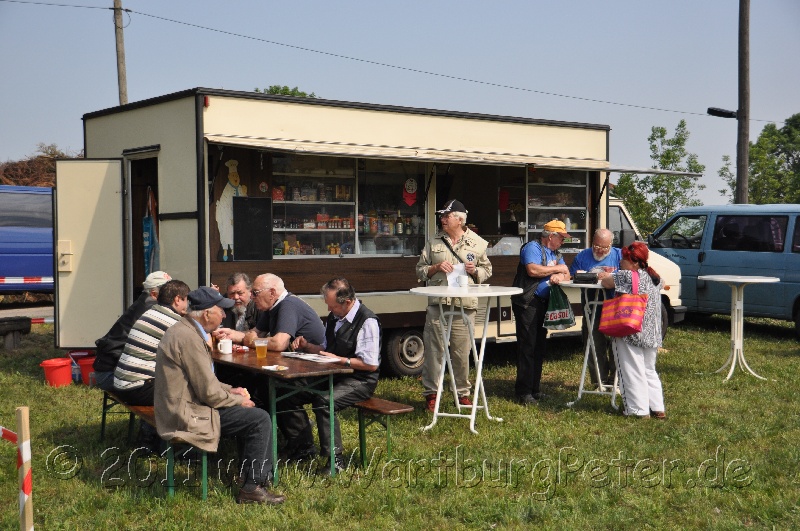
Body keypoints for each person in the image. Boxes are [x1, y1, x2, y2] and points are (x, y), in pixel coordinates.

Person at [154, 286, 286, 505]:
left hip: (179, 405)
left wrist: (230, 390)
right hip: (185, 414)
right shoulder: (189, 338)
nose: (225, 315)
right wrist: (238, 399)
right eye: (221, 310)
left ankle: (252, 476)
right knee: (260, 419)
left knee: (251, 414)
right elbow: (208, 393)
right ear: (207, 313)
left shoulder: (185, 330)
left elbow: (202, 381)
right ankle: (252, 488)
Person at [281, 278, 381, 469]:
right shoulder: (335, 317)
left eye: (332, 306)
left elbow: (370, 365)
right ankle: (302, 446)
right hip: (333, 374)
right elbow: (325, 349)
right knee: (288, 392)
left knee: (325, 401)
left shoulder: (367, 321)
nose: (329, 310)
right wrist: (307, 346)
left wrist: (340, 360)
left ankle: (336, 460)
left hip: (360, 379)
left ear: (348, 302)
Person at [416, 199, 492, 412]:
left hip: (465, 306)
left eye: (446, 216)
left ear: (459, 220)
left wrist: (474, 271)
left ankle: (462, 393)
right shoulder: (434, 241)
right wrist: (435, 267)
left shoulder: (478, 243)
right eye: (442, 216)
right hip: (437, 304)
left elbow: (487, 271)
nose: (442, 219)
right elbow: (420, 270)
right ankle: (432, 394)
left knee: (461, 352)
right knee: (434, 351)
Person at [599, 242, 666, 419]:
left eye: (624, 259)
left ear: (634, 262)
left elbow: (606, 282)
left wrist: (606, 275)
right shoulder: (655, 277)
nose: (621, 262)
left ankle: (637, 410)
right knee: (649, 369)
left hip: (631, 329)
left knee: (631, 369)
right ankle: (657, 407)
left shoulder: (627, 275)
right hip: (652, 331)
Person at [511, 220, 571, 405]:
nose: (563, 241)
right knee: (527, 345)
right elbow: (532, 270)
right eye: (561, 237)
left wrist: (560, 275)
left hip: (544, 303)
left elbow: (567, 273)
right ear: (551, 236)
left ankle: (534, 389)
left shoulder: (555, 252)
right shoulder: (532, 247)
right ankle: (523, 392)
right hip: (528, 302)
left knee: (539, 347)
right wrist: (557, 269)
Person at [112, 280, 190, 406]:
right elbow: (199, 344)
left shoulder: (150, 313)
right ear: (177, 300)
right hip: (138, 389)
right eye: (186, 300)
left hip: (121, 385)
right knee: (193, 391)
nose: (187, 305)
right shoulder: (173, 321)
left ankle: (150, 426)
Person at [92, 271, 171, 391]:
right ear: (154, 294)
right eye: (169, 291)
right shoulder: (150, 312)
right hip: (111, 375)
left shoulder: (145, 304)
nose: (174, 294)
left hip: (109, 372)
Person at [569, 228, 622, 386]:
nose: (599, 250)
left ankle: (616, 381)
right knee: (593, 345)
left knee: (616, 346)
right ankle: (599, 381)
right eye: (596, 246)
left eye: (604, 247)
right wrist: (590, 276)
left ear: (611, 245)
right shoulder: (582, 256)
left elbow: (629, 274)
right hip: (591, 308)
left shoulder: (619, 255)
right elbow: (573, 276)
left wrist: (611, 277)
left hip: (615, 308)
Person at [218, 273, 325, 352]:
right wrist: (230, 334)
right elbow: (253, 333)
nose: (252, 297)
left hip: (311, 369)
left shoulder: (288, 304)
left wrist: (253, 341)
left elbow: (279, 343)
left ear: (272, 293)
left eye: (255, 293)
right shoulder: (271, 307)